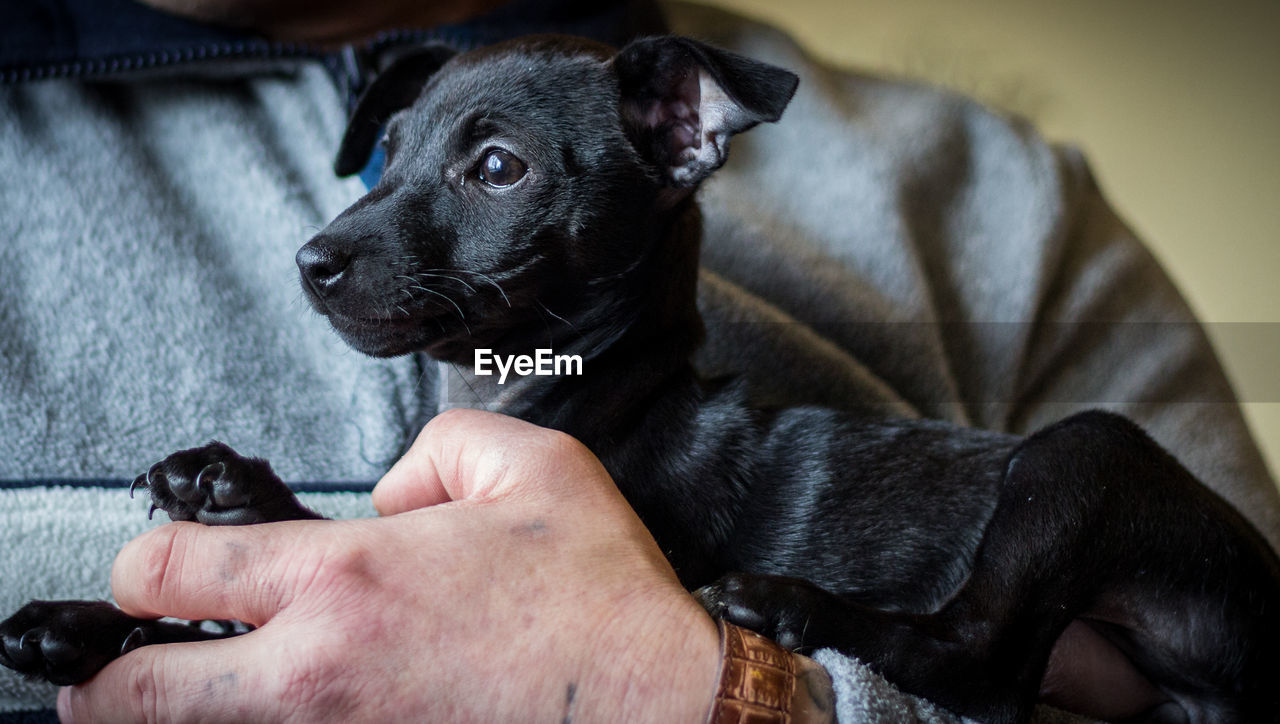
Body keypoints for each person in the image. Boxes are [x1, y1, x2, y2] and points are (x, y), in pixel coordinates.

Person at [2, 0, 1276, 721]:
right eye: (395, 159)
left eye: (495, 171)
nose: (333, 246)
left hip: (1156, 620)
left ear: (679, 134)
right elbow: (390, 611)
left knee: (1091, 461)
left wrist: (738, 698)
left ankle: (962, 643)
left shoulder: (996, 203)